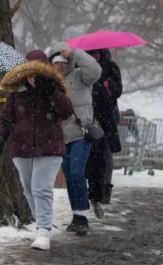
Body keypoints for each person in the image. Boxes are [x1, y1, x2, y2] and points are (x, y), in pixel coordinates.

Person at [0, 50, 74, 250]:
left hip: (50, 147)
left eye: (37, 73)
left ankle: (44, 231)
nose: (33, 78)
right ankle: (41, 225)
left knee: (41, 188)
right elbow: (6, 118)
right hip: (22, 149)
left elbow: (66, 111)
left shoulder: (54, 88)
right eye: (30, 73)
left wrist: (50, 92)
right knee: (29, 190)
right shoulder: (17, 91)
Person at [47, 42, 102, 236]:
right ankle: (77, 214)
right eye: (56, 62)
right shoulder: (50, 83)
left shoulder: (81, 77)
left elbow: (95, 69)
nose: (60, 65)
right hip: (61, 136)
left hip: (81, 133)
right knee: (70, 175)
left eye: (63, 61)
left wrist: (76, 53)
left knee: (77, 172)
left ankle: (83, 216)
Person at [89, 49, 123, 205]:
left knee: (106, 153)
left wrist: (106, 84)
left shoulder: (111, 68)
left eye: (96, 53)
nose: (94, 56)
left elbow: (117, 92)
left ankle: (105, 188)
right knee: (92, 152)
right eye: (91, 53)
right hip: (90, 114)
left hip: (107, 115)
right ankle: (93, 186)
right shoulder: (84, 68)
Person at [86, 81, 121, 218]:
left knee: (100, 165)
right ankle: (87, 202)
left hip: (98, 130)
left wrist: (113, 140)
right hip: (80, 128)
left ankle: (99, 196)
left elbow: (116, 93)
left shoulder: (99, 85)